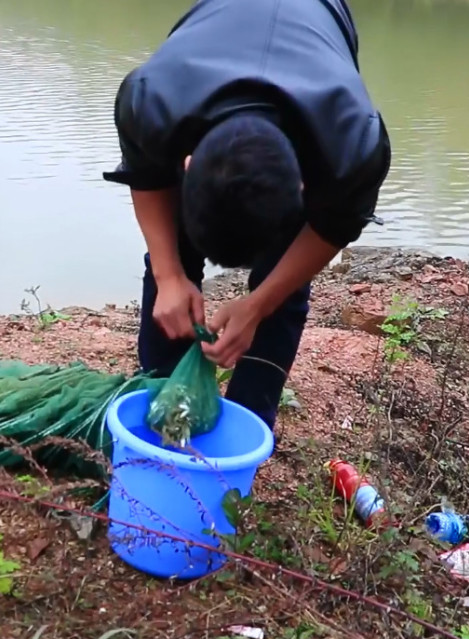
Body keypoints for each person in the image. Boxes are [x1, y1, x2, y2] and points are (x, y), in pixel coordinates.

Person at [103, 0, 391, 431]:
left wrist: (259, 304)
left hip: (320, 16)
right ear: (186, 164)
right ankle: (162, 408)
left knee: (283, 283)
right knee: (172, 257)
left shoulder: (352, 145)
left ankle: (248, 424)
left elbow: (332, 228)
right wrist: (168, 274)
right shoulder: (150, 100)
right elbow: (145, 177)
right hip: (221, 18)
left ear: (303, 189)